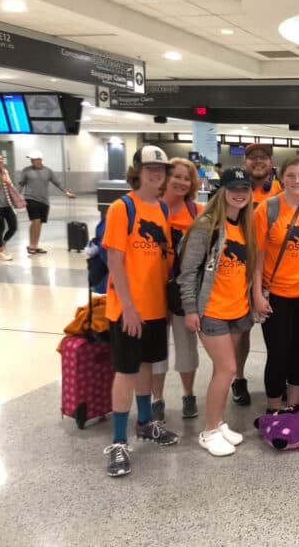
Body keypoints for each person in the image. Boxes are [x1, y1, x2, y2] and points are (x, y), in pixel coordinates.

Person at [101, 146, 179, 478]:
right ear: (138, 171)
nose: (156, 173)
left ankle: (146, 422)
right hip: (127, 309)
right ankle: (118, 442)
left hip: (155, 306)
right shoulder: (123, 207)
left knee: (147, 366)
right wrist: (128, 308)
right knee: (126, 371)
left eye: (160, 169)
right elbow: (115, 260)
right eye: (149, 168)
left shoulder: (160, 208)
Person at [179, 167, 257, 456]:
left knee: (223, 371)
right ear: (222, 191)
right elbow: (187, 272)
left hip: (238, 309)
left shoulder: (244, 225)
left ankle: (219, 422)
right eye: (234, 188)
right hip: (212, 309)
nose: (240, 194)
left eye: (245, 189)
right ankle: (209, 430)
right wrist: (190, 309)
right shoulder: (206, 226)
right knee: (227, 369)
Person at [253, 156, 299, 413]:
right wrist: (257, 296)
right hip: (278, 294)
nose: (297, 180)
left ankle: (294, 405)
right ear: (282, 177)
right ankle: (273, 408)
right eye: (291, 175)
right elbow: (258, 257)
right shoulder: (267, 209)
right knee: (278, 353)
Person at [150, 158, 203, 422]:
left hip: (183, 291)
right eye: (177, 177)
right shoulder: (149, 209)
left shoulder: (196, 212)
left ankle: (188, 393)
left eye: (187, 178)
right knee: (156, 348)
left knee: (186, 346)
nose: (183, 182)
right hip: (151, 289)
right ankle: (157, 399)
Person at [231, 142, 282, 406]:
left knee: (276, 331)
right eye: (253, 158)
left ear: (271, 162)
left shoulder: (280, 191)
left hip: (272, 272)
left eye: (263, 158)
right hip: (238, 270)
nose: (258, 161)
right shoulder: (236, 191)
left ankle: (278, 378)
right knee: (241, 329)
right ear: (245, 163)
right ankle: (238, 378)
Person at [17, 150, 76, 254]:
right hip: (30, 199)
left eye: (34, 159)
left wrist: (66, 192)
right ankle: (31, 245)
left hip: (44, 201)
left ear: (40, 160)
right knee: (35, 221)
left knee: (39, 224)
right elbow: (21, 184)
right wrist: (17, 197)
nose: (32, 161)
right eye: (31, 160)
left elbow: (57, 183)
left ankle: (35, 246)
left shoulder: (48, 171)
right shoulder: (26, 170)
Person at [0, 154, 19, 261]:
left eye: (2, 159)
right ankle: (0, 252)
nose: (0, 160)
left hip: (8, 205)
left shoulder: (5, 171)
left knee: (13, 226)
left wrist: (3, 172)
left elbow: (9, 184)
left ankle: (2, 245)